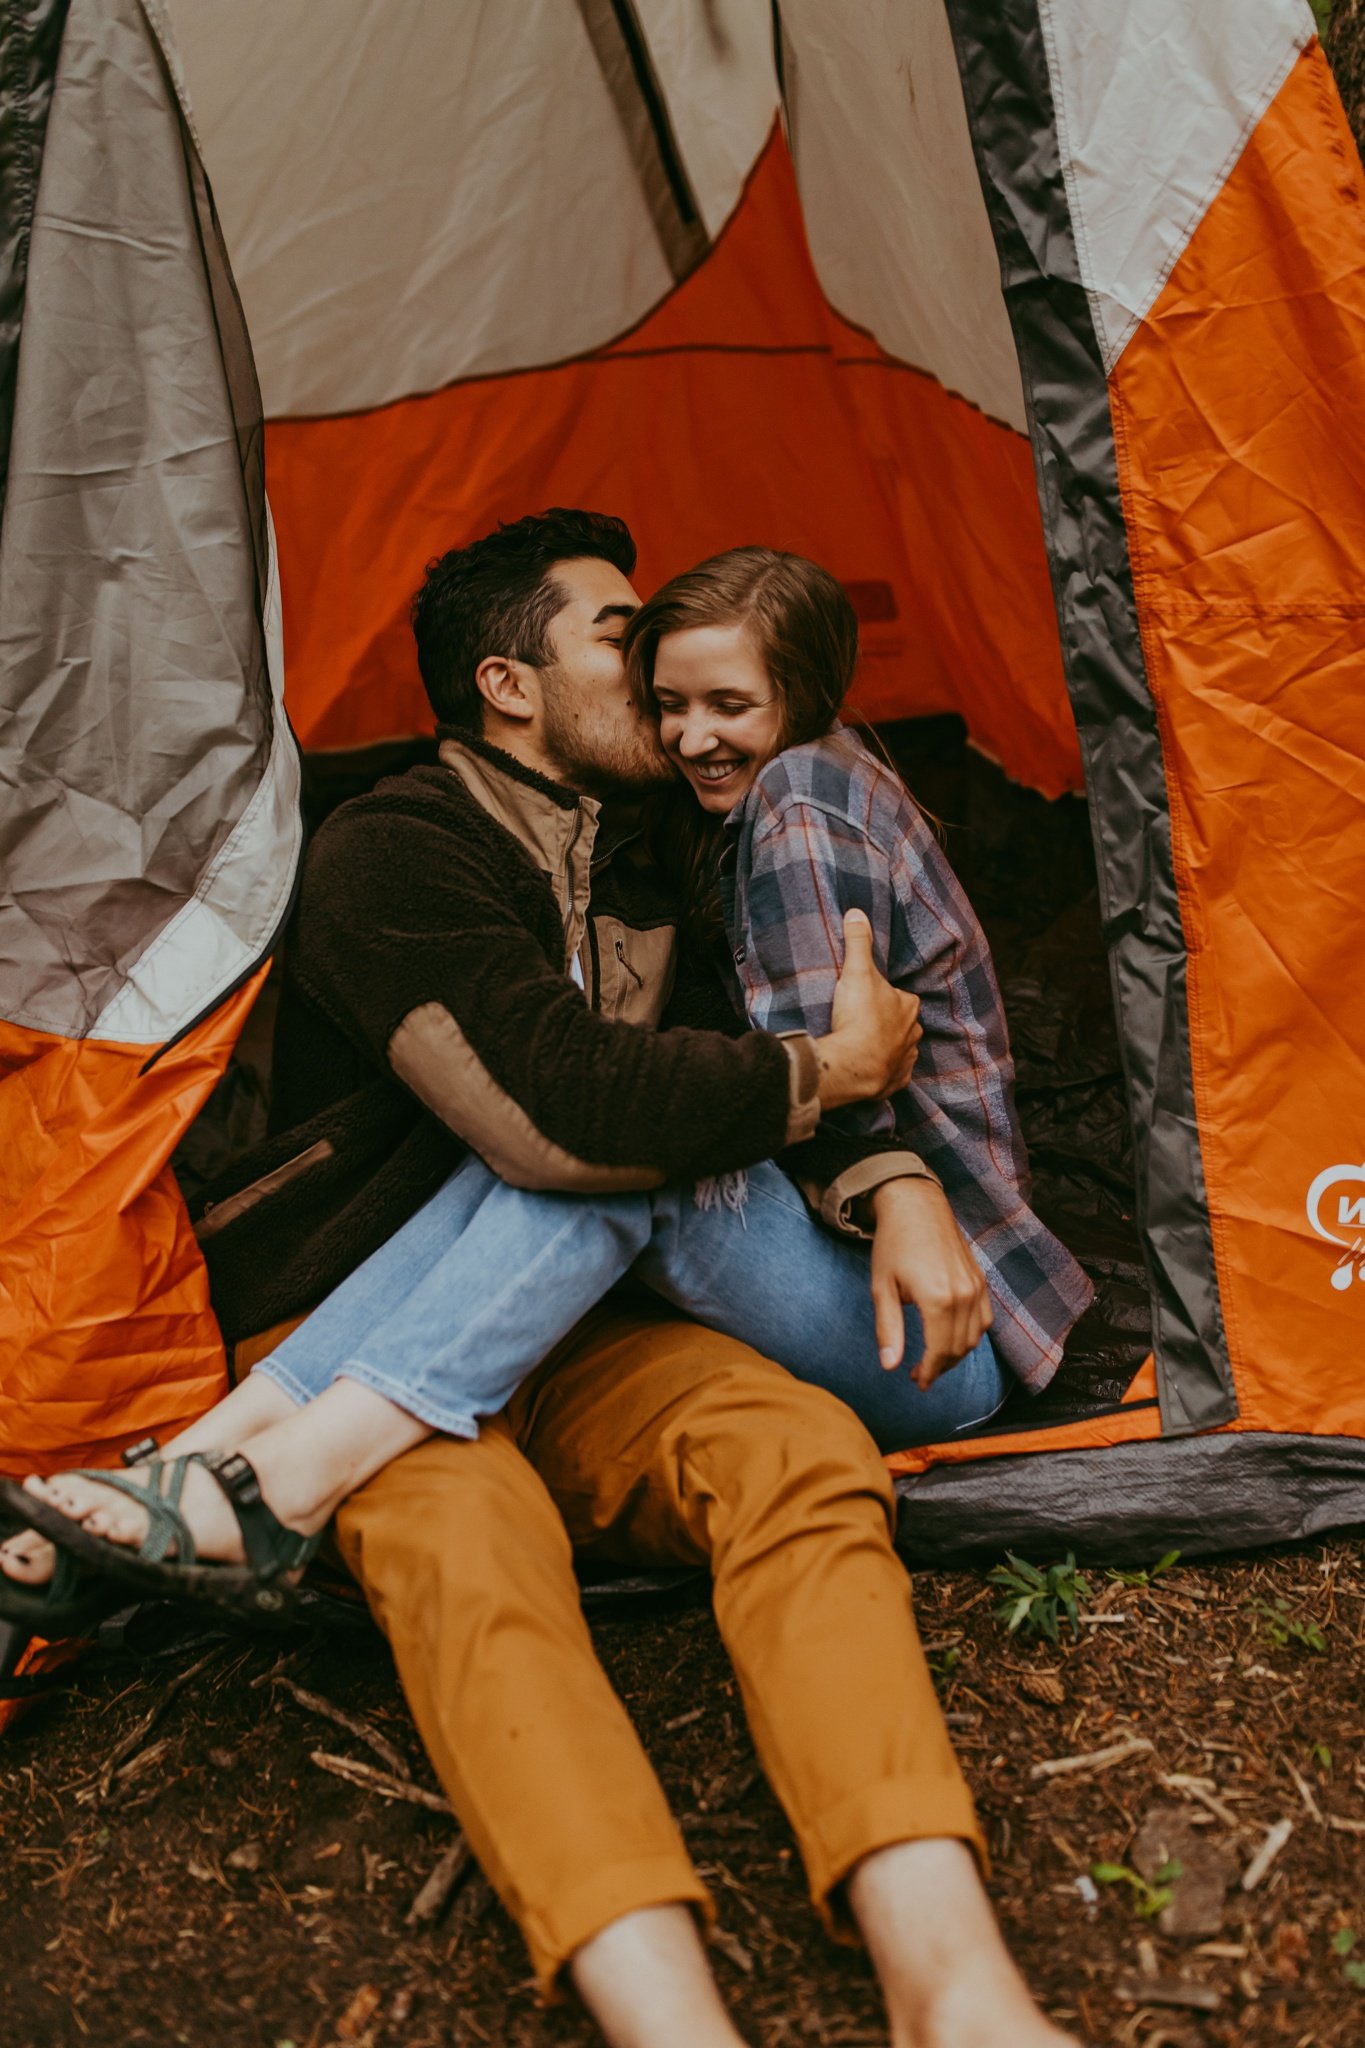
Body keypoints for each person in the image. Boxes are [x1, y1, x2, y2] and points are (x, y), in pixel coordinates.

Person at [1, 510, 1081, 2047]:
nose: (653, 671)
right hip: (364, 1304)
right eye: (617, 636)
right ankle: (667, 2021)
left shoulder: (663, 863)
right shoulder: (389, 852)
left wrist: (884, 1158)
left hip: (592, 1303)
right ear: (509, 686)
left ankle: (954, 1985)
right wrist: (814, 1077)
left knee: (800, 1456)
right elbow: (568, 1120)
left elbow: (723, 1108)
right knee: (471, 1556)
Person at [0, 546, 1093, 1595]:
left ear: (794, 695)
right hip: (878, 1297)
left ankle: (275, 1480)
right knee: (594, 1133)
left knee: (629, 1147)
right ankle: (197, 1469)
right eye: (667, 696)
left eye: (727, 704)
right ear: (507, 684)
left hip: (939, 1327)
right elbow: (771, 1066)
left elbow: (844, 1067)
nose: (683, 729)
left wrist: (895, 1178)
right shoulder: (695, 818)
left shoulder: (800, 803)